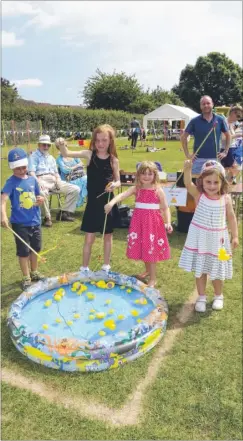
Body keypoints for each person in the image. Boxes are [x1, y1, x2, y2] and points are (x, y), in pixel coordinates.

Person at [55, 124, 121, 274]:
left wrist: (113, 185)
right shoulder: (89, 154)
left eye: (104, 140)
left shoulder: (113, 160)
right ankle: (84, 268)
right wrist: (61, 143)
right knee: (89, 238)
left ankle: (106, 266)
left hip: (108, 203)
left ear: (110, 141)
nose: (100, 144)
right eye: (97, 140)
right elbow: (66, 153)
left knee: (107, 236)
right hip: (93, 204)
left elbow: (118, 180)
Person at [179, 160, 238, 312]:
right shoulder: (199, 195)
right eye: (208, 182)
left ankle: (219, 296)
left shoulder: (225, 199)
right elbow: (187, 183)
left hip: (218, 240)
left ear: (222, 182)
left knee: (217, 270)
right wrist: (187, 169)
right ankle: (202, 297)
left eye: (215, 182)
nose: (211, 186)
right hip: (201, 239)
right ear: (201, 181)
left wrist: (235, 236)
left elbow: (231, 217)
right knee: (201, 269)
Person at [105, 161, 173, 287]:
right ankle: (147, 271)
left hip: (153, 224)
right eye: (143, 174)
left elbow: (165, 208)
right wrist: (111, 203)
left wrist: (168, 222)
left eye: (150, 174)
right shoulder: (136, 188)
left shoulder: (158, 190)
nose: (146, 177)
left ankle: (153, 279)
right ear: (138, 175)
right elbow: (122, 195)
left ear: (155, 175)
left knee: (151, 249)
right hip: (139, 223)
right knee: (144, 247)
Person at [1, 148, 45, 290]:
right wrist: (3, 216)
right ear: (12, 168)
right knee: (23, 251)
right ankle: (26, 277)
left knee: (35, 248)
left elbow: (39, 196)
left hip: (35, 221)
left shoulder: (32, 179)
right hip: (19, 223)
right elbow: (3, 200)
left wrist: (41, 200)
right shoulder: (11, 182)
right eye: (17, 168)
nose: (21, 170)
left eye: (24, 167)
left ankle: (34, 272)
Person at [28, 134, 80, 227]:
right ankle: (47, 218)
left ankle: (63, 213)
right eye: (44, 145)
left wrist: (58, 180)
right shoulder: (33, 156)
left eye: (48, 145)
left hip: (54, 180)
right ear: (39, 145)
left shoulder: (51, 158)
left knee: (75, 189)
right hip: (40, 179)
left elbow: (56, 173)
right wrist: (38, 182)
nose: (46, 147)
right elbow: (31, 172)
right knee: (41, 193)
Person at [181, 96, 230, 174]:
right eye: (203, 104)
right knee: (197, 184)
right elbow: (183, 137)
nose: (206, 105)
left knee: (214, 184)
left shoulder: (220, 120)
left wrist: (225, 151)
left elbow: (228, 135)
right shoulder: (194, 121)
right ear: (200, 106)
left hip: (215, 159)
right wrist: (187, 154)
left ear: (212, 104)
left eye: (208, 103)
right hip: (198, 159)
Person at [220, 105, 243, 184]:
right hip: (226, 149)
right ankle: (227, 184)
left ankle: (226, 185)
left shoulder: (231, 124)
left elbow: (230, 135)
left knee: (227, 169)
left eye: (240, 117)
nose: (238, 119)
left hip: (231, 149)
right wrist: (238, 135)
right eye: (238, 116)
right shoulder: (224, 122)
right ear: (232, 113)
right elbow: (224, 137)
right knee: (235, 168)